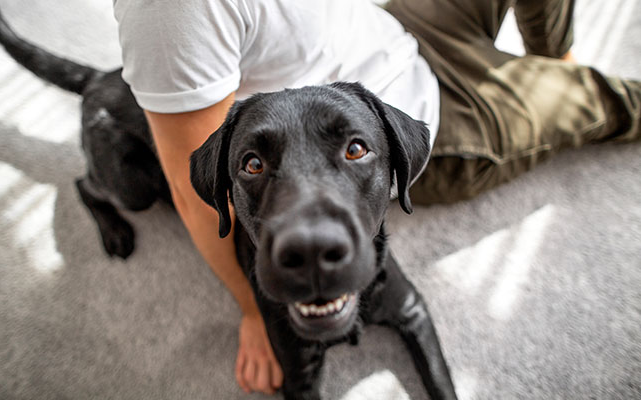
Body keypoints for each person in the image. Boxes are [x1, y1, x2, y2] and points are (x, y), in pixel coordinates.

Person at [112, 0, 640, 395]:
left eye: (355, 151)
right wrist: (251, 306)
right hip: (441, 108)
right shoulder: (169, 9)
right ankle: (568, 84)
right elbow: (189, 184)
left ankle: (556, 63)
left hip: (399, 26)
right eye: (254, 165)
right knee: (606, 100)